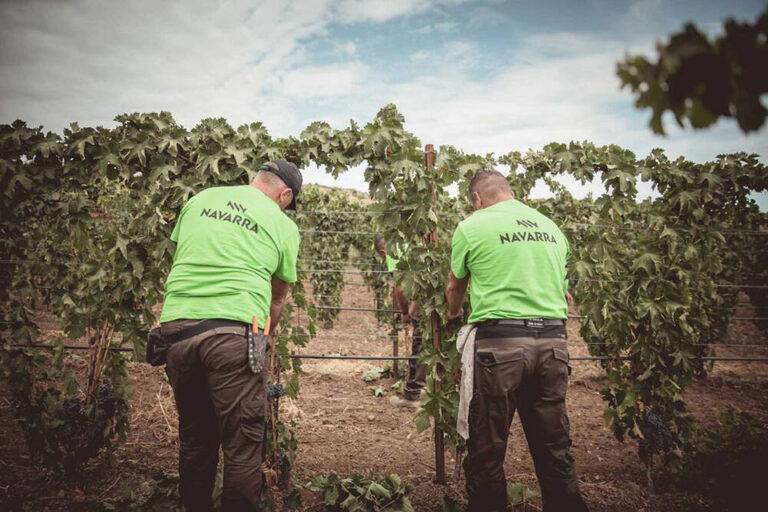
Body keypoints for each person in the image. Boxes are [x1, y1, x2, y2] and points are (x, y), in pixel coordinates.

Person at [158, 160, 302, 512]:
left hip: (177, 330)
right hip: (233, 334)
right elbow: (278, 297)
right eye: (289, 202)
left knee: (196, 440)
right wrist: (263, 339)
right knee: (242, 444)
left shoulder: (201, 199)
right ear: (284, 194)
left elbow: (184, 256)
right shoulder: (282, 224)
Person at [445, 170, 589, 512]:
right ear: (511, 193)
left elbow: (455, 286)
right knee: (554, 448)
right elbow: (564, 293)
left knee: (487, 448)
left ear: (477, 199)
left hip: (501, 348)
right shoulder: (550, 227)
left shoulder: (472, 225)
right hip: (553, 345)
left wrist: (453, 313)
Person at [373, 235, 426, 408]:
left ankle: (413, 395)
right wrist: (410, 312)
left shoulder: (393, 253)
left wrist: (405, 312)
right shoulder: (413, 244)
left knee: (419, 345)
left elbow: (400, 288)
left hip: (426, 300)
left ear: (383, 251)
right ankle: (427, 389)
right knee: (428, 344)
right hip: (436, 293)